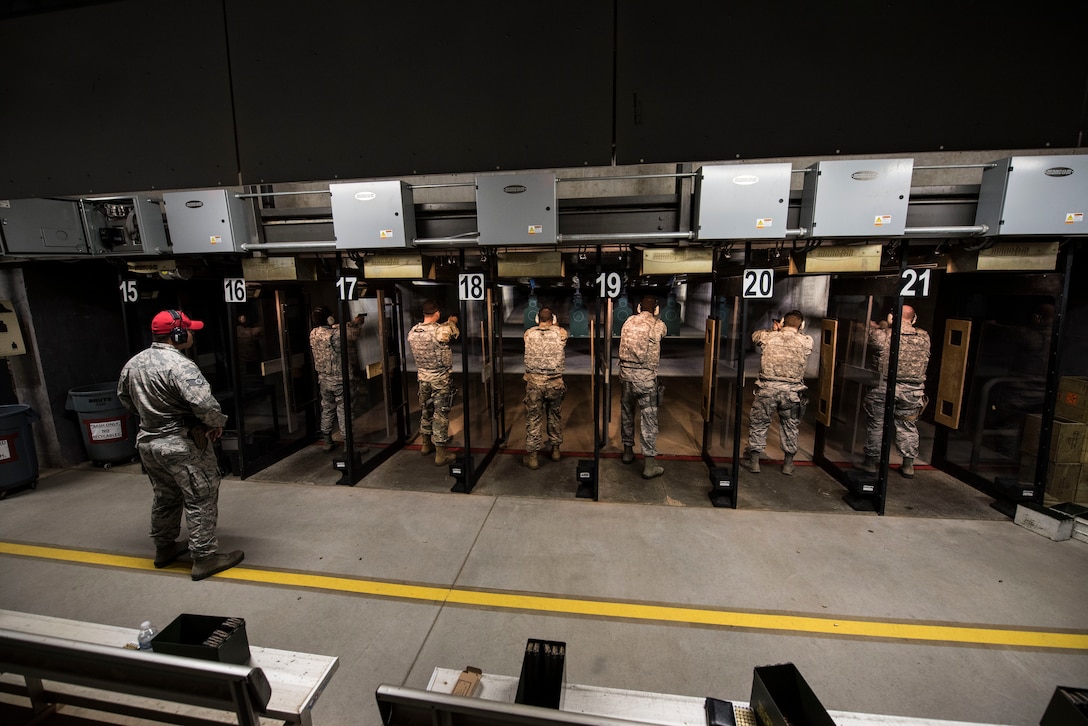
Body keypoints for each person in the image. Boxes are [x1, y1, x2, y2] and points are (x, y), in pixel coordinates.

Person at [117, 309, 244, 581]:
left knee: (166, 495)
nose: (192, 333)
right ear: (177, 334)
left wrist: (152, 417)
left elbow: (125, 399)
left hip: (149, 443)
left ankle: (164, 547)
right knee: (201, 496)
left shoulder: (134, 363)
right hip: (181, 444)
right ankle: (204, 557)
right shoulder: (181, 365)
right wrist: (215, 423)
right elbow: (203, 403)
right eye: (189, 329)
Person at [860, 304, 931, 478]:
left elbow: (869, 338)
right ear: (914, 319)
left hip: (883, 387)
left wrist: (885, 326)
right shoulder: (924, 337)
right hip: (912, 390)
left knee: (876, 424)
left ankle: (870, 462)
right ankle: (908, 465)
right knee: (907, 425)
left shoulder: (883, 335)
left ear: (893, 317)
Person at [743, 311, 814, 475]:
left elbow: (754, 336)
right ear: (801, 325)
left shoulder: (768, 337)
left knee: (759, 424)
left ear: (782, 322)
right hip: (792, 392)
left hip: (767, 389)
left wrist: (774, 330)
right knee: (790, 426)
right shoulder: (806, 341)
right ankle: (788, 464)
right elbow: (805, 344)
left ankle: (754, 462)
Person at [619, 295, 668, 479]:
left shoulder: (628, 321)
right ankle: (649, 464)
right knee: (648, 421)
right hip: (646, 381)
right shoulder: (658, 325)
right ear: (655, 310)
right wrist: (656, 317)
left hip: (626, 379)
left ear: (638, 308)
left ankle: (627, 451)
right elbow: (662, 331)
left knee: (627, 414)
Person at [407, 299, 460, 466]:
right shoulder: (442, 330)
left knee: (426, 411)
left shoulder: (413, 331)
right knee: (440, 415)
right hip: (439, 380)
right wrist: (452, 322)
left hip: (423, 379)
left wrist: (445, 323)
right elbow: (450, 333)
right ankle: (440, 453)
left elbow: (434, 331)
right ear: (437, 313)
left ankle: (425, 445)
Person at [309, 306, 365, 452]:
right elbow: (353, 334)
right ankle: (349, 445)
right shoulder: (337, 335)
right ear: (329, 318)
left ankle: (327, 441)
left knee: (327, 409)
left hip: (324, 380)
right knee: (344, 411)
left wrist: (351, 322)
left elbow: (335, 328)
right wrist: (358, 323)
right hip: (340, 380)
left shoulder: (314, 333)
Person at [522, 307, 569, 469]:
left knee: (533, 418)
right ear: (553, 319)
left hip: (534, 383)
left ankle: (533, 457)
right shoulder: (560, 333)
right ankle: (555, 450)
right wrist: (554, 325)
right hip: (554, 383)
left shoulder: (529, 334)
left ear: (537, 319)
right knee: (554, 415)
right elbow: (559, 333)